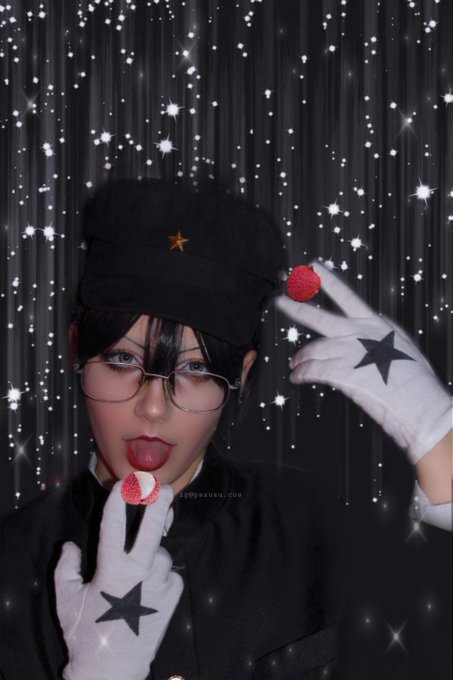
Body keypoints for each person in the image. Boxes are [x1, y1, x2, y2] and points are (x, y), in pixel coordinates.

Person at [0, 178, 451, 680]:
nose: (153, 408)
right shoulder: (11, 567)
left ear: (241, 373)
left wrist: (439, 441)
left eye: (196, 369)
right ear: (76, 350)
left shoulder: (322, 525)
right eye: (122, 360)